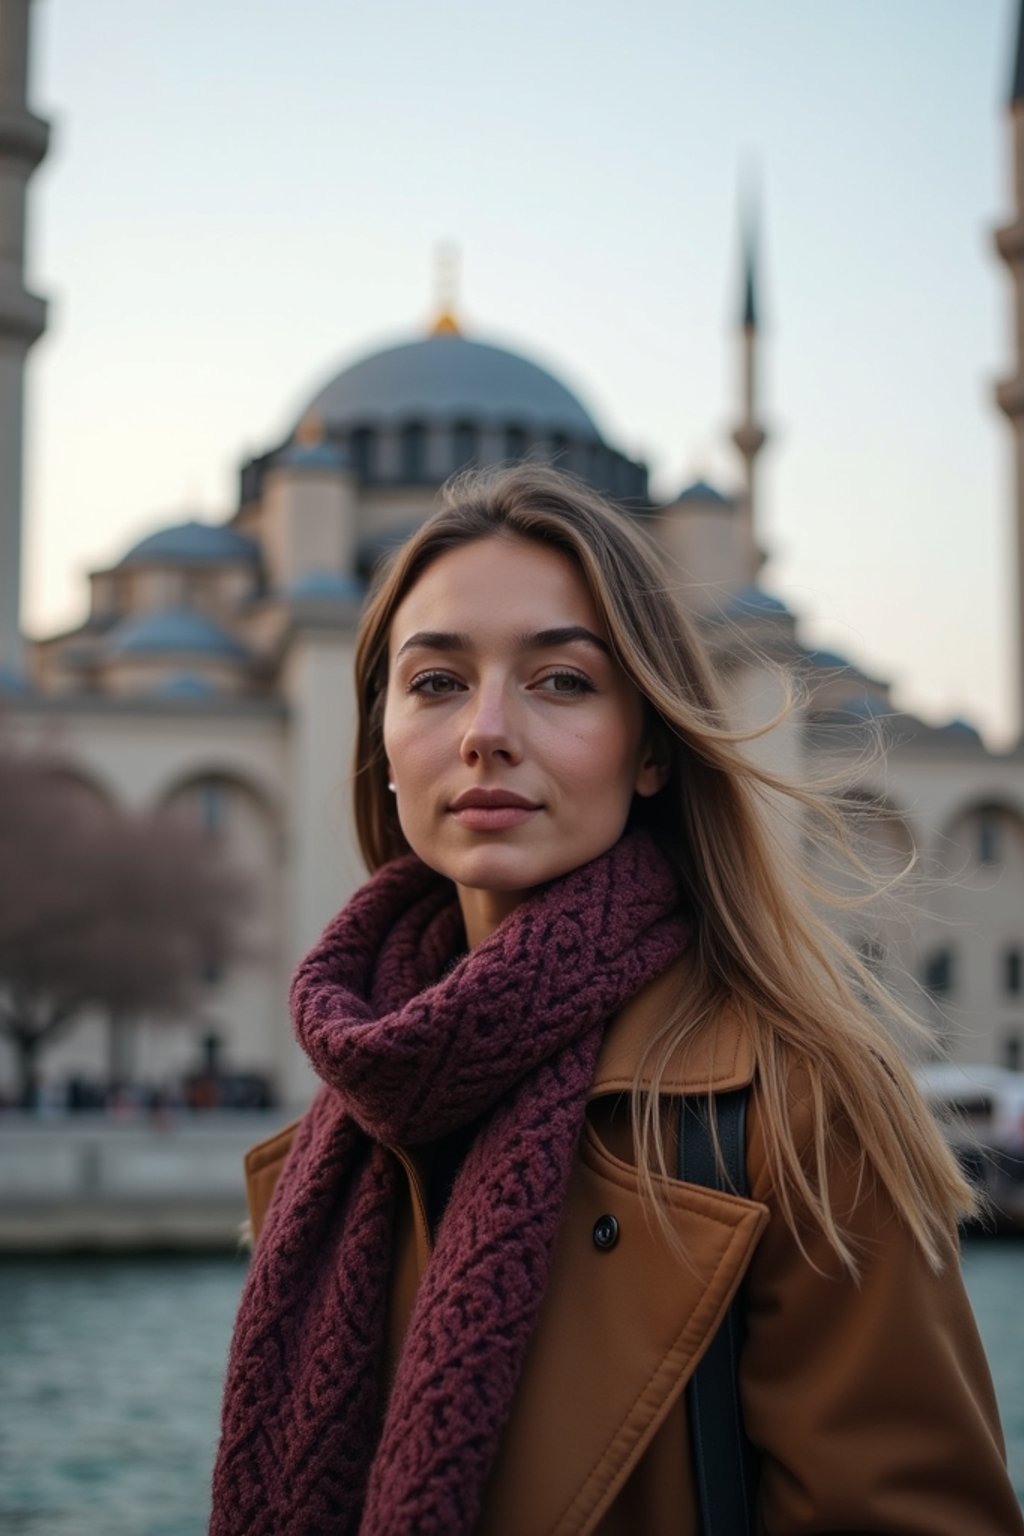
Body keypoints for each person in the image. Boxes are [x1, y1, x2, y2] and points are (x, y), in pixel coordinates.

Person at [210, 465, 1022, 1536]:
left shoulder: (796, 1112)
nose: (485, 731)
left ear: (648, 750)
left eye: (561, 682)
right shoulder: (345, 1129)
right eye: (437, 682)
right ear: (382, 746)